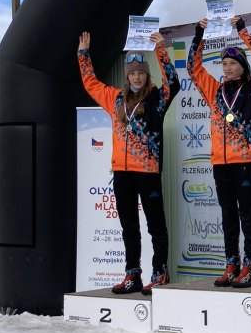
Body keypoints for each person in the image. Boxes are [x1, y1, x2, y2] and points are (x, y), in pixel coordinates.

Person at [77, 30, 180, 295]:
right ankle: (132, 273)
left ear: (147, 75)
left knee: (155, 225)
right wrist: (83, 54)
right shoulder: (116, 99)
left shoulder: (157, 99)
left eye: (141, 73)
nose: (136, 77)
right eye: (132, 73)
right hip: (122, 172)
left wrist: (161, 50)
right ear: (127, 76)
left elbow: (174, 83)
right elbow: (91, 84)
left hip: (147, 172)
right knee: (129, 227)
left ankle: (160, 273)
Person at [187, 15, 251, 288]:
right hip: (220, 162)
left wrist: (242, 30)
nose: (228, 68)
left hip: (244, 160)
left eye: (233, 63)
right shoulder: (214, 90)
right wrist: (199, 35)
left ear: (242, 66)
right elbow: (193, 68)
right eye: (224, 63)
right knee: (228, 215)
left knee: (247, 214)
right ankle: (232, 264)